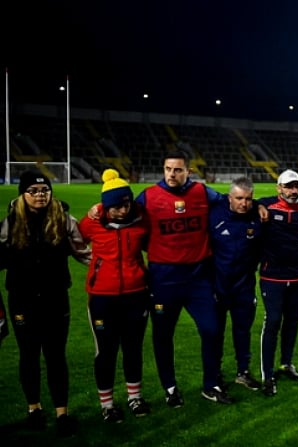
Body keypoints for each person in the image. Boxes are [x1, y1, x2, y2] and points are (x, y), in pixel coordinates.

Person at [0, 170, 91, 437]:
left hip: (55, 299)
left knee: (55, 356)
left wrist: (115, 264)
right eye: (34, 191)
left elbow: (84, 253)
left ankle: (62, 413)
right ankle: (34, 409)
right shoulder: (9, 224)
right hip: (21, 300)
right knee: (28, 355)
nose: (40, 195)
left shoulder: (64, 221)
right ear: (23, 194)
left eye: (44, 190)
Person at [138, 151, 232, 406]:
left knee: (211, 330)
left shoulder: (202, 192)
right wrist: (98, 209)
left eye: (178, 170)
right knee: (163, 335)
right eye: (168, 169)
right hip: (163, 280)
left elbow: (228, 201)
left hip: (198, 279)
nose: (172, 174)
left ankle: (210, 384)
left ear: (188, 171)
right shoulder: (148, 196)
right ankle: (170, 388)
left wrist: (257, 206)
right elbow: (124, 214)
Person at [78, 169, 151, 423]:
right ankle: (107, 404)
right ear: (105, 207)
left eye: (127, 204)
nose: (123, 210)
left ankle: (134, 397)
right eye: (117, 207)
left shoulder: (142, 219)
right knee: (106, 352)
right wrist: (95, 266)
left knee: (133, 348)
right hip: (102, 297)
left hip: (136, 295)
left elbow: (154, 243)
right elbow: (75, 241)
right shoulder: (92, 222)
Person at [258, 169, 298, 396]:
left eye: (297, 186)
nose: (294, 191)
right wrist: (258, 206)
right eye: (289, 186)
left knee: (292, 322)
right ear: (279, 188)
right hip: (272, 276)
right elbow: (251, 203)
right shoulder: (267, 205)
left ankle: (286, 363)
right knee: (272, 322)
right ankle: (267, 375)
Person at [209, 177, 265, 392]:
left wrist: (260, 204)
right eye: (239, 198)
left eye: (249, 199)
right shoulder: (214, 213)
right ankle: (215, 374)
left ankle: (243, 372)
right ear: (229, 197)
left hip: (244, 287)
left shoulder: (257, 217)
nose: (244, 203)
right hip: (218, 287)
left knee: (242, 331)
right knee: (216, 332)